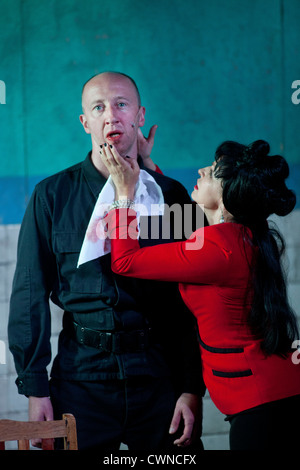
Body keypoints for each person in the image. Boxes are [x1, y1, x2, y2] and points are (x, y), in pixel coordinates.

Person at [8, 71, 205, 452]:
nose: (110, 115)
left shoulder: (172, 195)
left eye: (121, 104)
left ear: (140, 115)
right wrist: (35, 389)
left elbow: (192, 300)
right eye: (98, 107)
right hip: (81, 378)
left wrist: (191, 386)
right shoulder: (52, 196)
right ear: (85, 122)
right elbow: (29, 296)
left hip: (158, 376)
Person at [100, 139, 300, 450]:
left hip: (262, 403)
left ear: (228, 196)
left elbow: (125, 262)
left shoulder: (216, 247)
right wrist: (151, 169)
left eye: (214, 172)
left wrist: (124, 194)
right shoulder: (243, 235)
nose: (203, 169)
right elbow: (191, 220)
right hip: (274, 391)